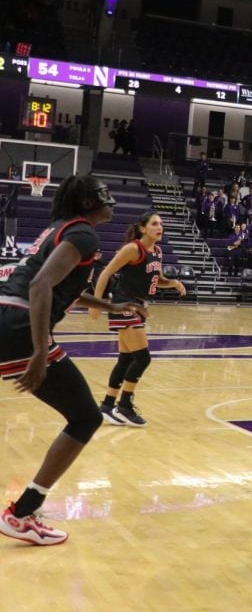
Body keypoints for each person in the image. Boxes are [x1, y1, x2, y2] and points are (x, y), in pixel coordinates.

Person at [0, 175, 145, 545]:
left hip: (6, 318)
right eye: (103, 196)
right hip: (18, 327)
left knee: (83, 416)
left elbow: (65, 288)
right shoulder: (83, 235)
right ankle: (21, 514)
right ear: (85, 203)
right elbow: (39, 286)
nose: (110, 201)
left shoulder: (60, 229)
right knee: (85, 417)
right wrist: (38, 353)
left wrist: (109, 305)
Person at [90, 211, 186, 427]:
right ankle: (124, 406)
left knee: (125, 360)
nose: (159, 227)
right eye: (154, 224)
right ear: (143, 228)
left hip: (139, 306)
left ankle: (106, 406)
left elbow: (156, 279)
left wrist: (172, 282)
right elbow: (105, 273)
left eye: (161, 223)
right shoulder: (133, 248)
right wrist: (97, 304)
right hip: (125, 304)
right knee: (142, 359)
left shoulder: (158, 251)